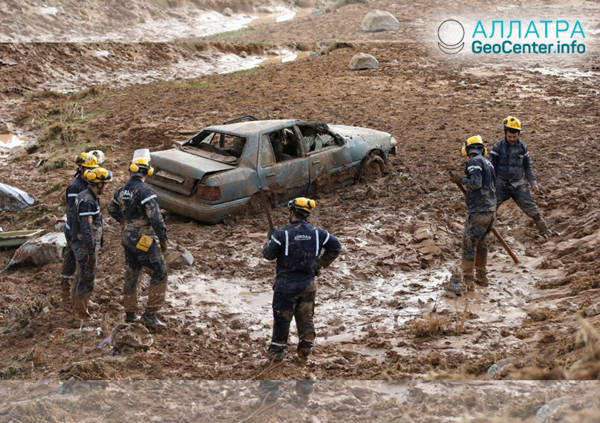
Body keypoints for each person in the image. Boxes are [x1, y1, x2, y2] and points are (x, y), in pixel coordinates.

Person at [262, 197, 342, 362]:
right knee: (306, 317)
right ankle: (305, 350)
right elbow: (336, 247)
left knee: (282, 319)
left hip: (285, 288)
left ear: (291, 212)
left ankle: (277, 353)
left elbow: (268, 255)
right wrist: (320, 264)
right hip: (308, 285)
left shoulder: (281, 233)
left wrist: (270, 241)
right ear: (306, 215)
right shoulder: (318, 233)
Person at [107, 157, 169, 329]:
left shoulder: (121, 191)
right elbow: (156, 219)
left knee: (132, 273)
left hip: (127, 236)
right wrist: (163, 241)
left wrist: (125, 221)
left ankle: (130, 315)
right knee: (160, 273)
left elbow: (111, 208)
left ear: (131, 171)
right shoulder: (146, 192)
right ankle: (150, 314)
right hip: (143, 239)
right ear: (147, 173)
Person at [490, 116, 552, 237]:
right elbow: (491, 167)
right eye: (510, 136)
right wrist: (489, 184)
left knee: (532, 208)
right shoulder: (497, 147)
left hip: (518, 184)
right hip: (500, 183)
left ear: (518, 134)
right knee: (489, 209)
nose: (512, 139)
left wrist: (533, 182)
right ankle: (484, 234)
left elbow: (527, 167)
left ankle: (544, 230)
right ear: (505, 133)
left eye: (515, 136)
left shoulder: (523, 147)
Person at [449, 136, 496, 291]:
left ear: (468, 149)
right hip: (490, 210)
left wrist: (460, 179)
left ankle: (468, 282)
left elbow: (475, 183)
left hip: (477, 210)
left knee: (469, 244)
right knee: (482, 244)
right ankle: (482, 277)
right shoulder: (488, 163)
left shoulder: (474, 162)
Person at [71, 167, 112, 320]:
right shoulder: (88, 201)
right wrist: (91, 252)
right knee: (87, 279)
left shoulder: (85, 195)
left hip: (80, 243)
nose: (106, 186)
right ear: (99, 184)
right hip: (85, 246)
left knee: (80, 275)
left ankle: (78, 304)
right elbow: (86, 229)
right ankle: (82, 314)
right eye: (105, 183)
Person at [60, 152, 98, 310]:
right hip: (74, 231)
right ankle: (67, 300)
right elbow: (72, 213)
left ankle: (79, 299)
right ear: (81, 168)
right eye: (87, 169)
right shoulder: (75, 187)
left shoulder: (89, 184)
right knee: (71, 263)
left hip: (82, 230)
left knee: (79, 265)